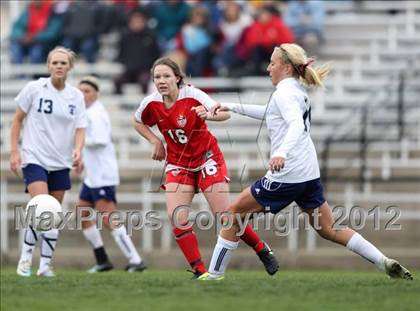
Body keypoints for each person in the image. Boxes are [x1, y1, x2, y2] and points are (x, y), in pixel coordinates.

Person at [202, 43, 413, 280]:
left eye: (272, 63)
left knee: (232, 214)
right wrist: (232, 106)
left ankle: (214, 276)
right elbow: (271, 112)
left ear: (286, 67)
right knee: (329, 228)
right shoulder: (293, 90)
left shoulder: (284, 93)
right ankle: (382, 261)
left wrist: (280, 153)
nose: (268, 68)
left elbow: (295, 124)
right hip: (308, 173)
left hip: (287, 173)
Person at [133, 57, 279, 279]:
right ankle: (200, 271)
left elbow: (224, 112)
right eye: (157, 77)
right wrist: (155, 141)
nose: (161, 81)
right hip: (178, 163)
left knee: (225, 216)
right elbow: (137, 121)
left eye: (166, 76)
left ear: (177, 78)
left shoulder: (192, 95)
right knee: (177, 218)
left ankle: (261, 249)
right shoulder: (151, 103)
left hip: (206, 159)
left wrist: (209, 114)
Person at [11, 46, 87, 277]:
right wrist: (14, 151)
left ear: (70, 67)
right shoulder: (34, 88)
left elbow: (81, 127)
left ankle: (44, 265)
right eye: (55, 62)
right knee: (42, 207)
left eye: (63, 63)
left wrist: (78, 150)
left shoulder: (76, 96)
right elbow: (17, 121)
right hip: (34, 157)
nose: (59, 66)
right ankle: (25, 260)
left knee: (53, 214)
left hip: (60, 162)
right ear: (48, 66)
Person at [76, 76, 146, 273]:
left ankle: (135, 260)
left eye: (87, 91)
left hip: (103, 175)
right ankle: (102, 259)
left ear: (96, 93)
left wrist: (76, 143)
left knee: (108, 218)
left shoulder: (96, 114)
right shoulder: (86, 112)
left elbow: (98, 140)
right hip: (93, 175)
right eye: (80, 91)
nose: (82, 95)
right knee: (82, 212)